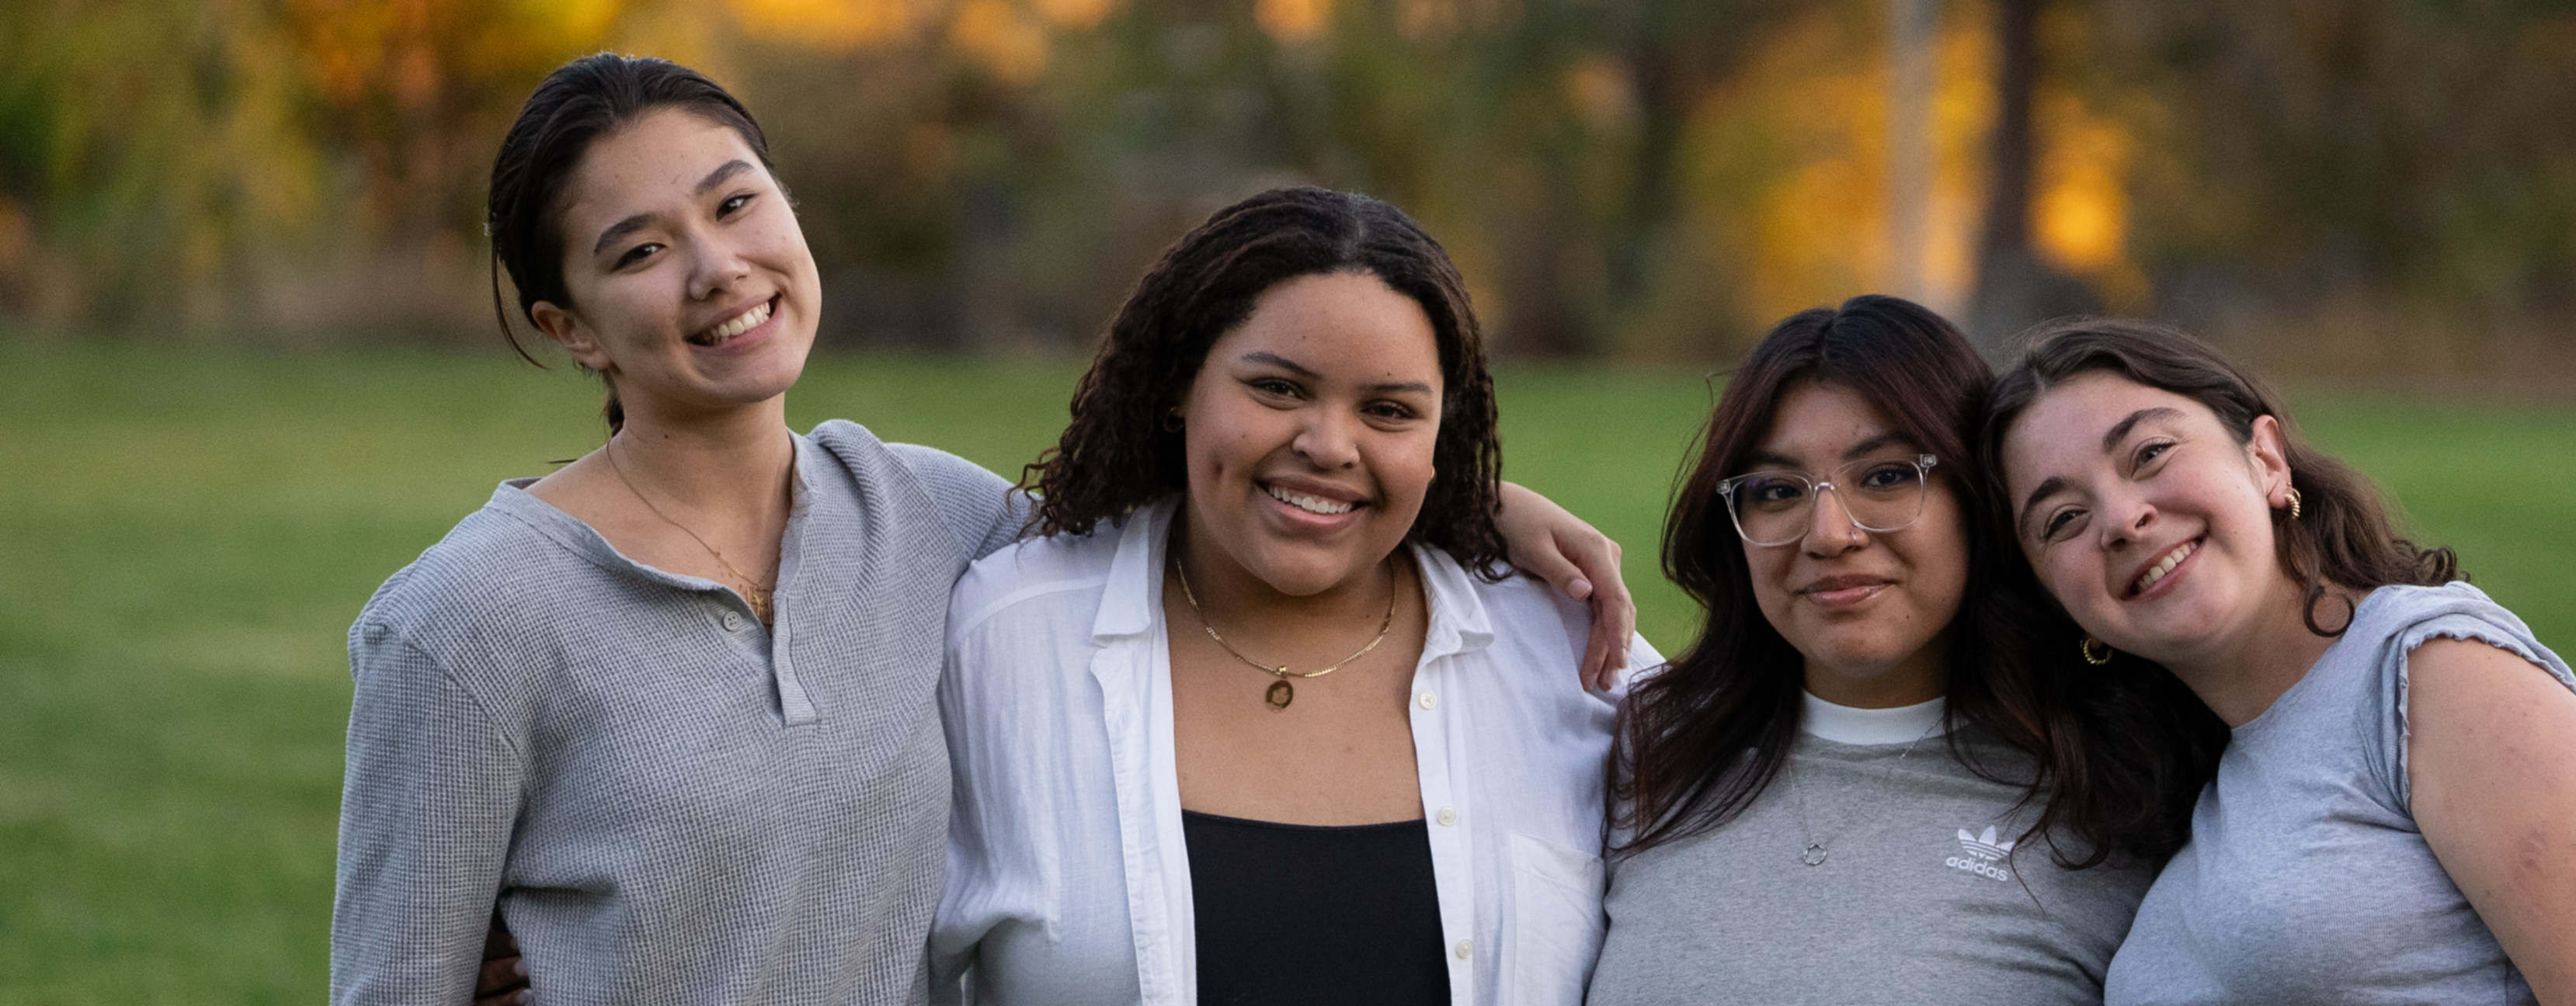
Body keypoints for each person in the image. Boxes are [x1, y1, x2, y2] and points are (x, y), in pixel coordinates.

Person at [337, 55, 1632, 1006]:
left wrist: (1463, 497)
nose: (716, 268)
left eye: (736, 206)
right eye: (638, 251)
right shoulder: (468, 616)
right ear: (569, 329)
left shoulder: (937, 522)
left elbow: (1228, 504)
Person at [929, 187, 1654, 1005]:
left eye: (1387, 411)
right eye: (1278, 389)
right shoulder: (1006, 640)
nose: (1327, 446)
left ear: (1440, 435)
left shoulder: (1568, 653)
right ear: (1180, 387)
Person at [1983, 318, 2576, 1005]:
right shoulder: (2205, 785)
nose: (2120, 519)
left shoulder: (2431, 670)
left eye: (2149, 454)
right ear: (2057, 600)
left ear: (2266, 460)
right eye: (2063, 520)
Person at [1585, 297, 2215, 1004]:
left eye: (1886, 476)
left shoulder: (2122, 790)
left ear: (1978, 499)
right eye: (1775, 490)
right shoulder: (1642, 745)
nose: (1828, 533)